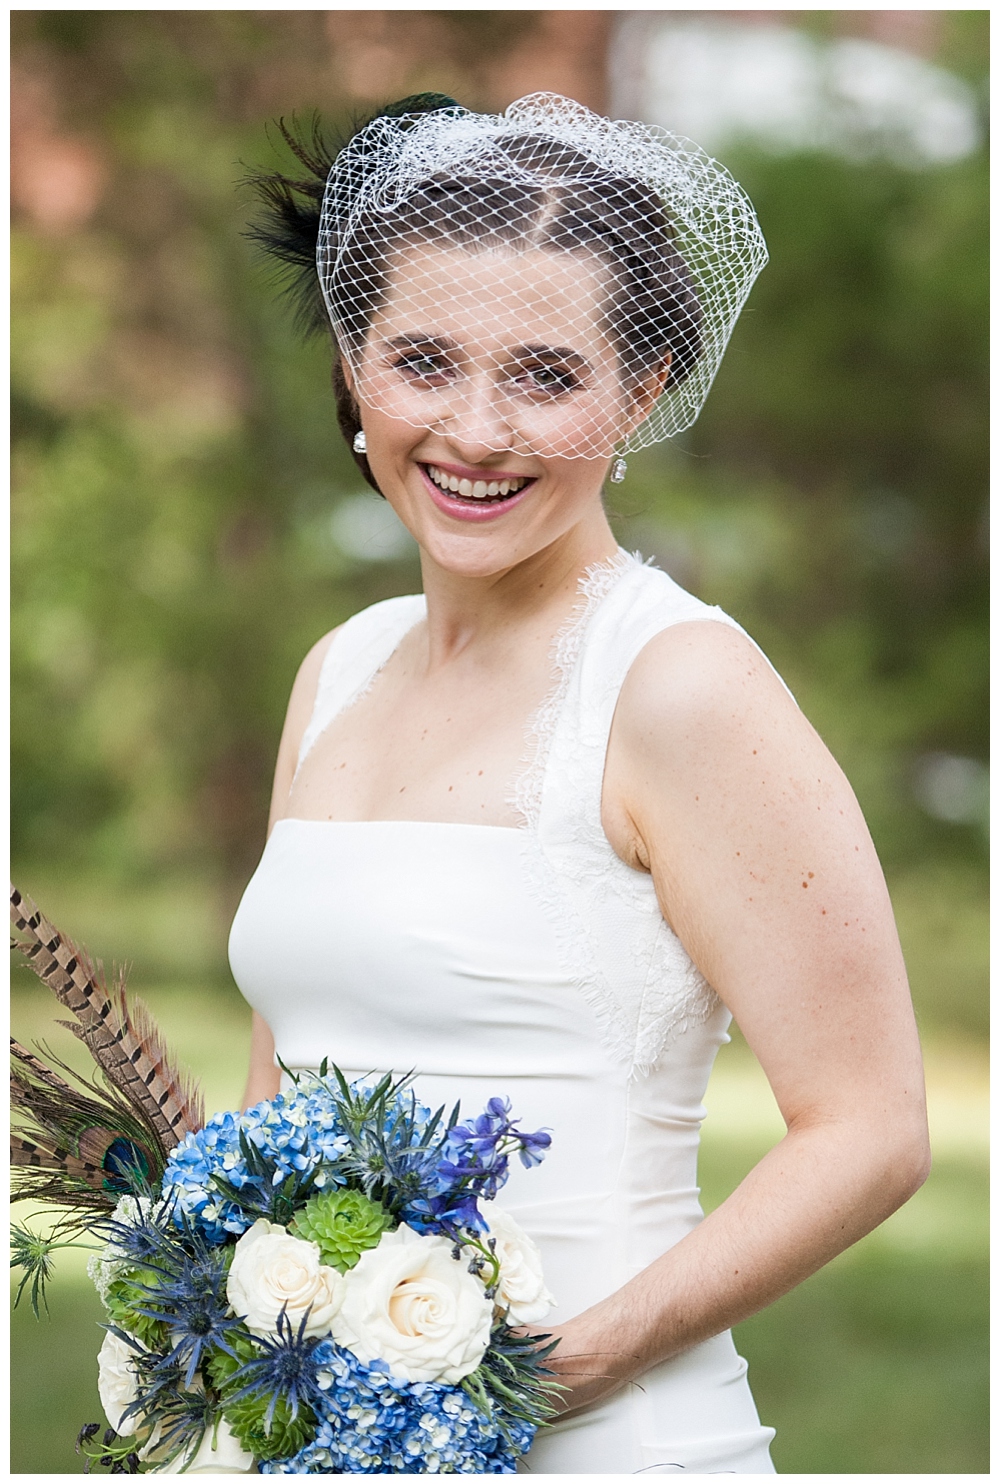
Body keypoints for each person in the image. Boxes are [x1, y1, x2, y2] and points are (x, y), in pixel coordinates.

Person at [229, 92, 930, 1474]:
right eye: (422, 360)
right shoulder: (341, 669)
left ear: (644, 391)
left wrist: (560, 1372)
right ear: (353, 367)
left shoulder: (674, 687)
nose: (476, 431)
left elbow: (872, 1129)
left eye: (546, 376)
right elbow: (277, 1097)